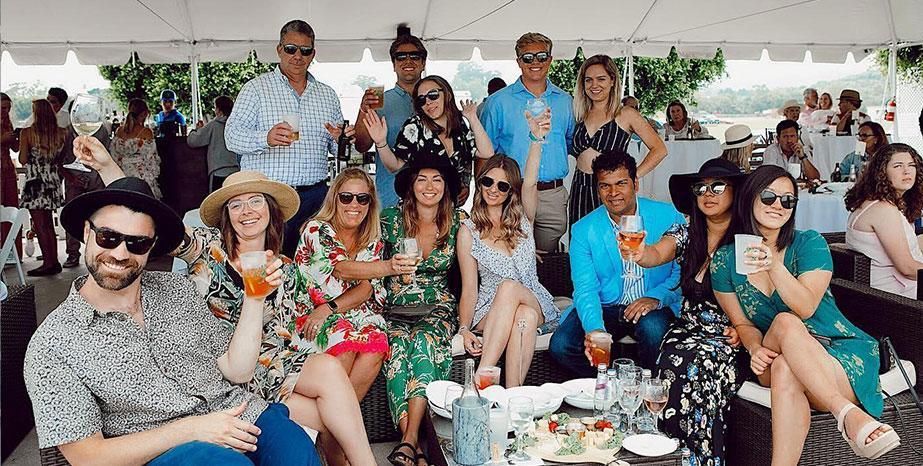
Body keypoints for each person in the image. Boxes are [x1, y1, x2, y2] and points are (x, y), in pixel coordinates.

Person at [74, 140, 377, 466]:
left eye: (255, 201)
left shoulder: (285, 267)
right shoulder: (208, 253)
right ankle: (341, 455)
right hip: (220, 372)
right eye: (236, 205)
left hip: (272, 368)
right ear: (226, 216)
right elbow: (145, 216)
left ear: (270, 210)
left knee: (332, 373)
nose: (247, 211)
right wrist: (107, 167)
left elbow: (292, 333)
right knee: (334, 414)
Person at [24, 171, 324, 466]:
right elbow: (87, 457)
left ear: (151, 246)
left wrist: (254, 298)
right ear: (88, 233)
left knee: (296, 449)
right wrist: (191, 430)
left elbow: (237, 371)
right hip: (159, 448)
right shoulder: (53, 344)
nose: (119, 253)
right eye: (108, 237)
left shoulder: (177, 289)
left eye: (137, 243)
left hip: (234, 413)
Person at [712, 164, 900, 463]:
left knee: (788, 355)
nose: (778, 205)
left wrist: (773, 264)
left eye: (788, 200)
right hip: (767, 356)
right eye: (770, 196)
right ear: (749, 197)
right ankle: (848, 416)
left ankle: (832, 421)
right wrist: (754, 346)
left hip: (836, 351)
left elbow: (806, 307)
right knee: (784, 329)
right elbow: (742, 322)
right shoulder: (724, 261)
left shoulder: (809, 243)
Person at [623, 158, 748, 466]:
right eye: (701, 187)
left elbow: (761, 292)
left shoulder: (747, 238)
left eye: (718, 186)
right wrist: (639, 253)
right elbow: (654, 254)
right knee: (669, 357)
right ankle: (668, 454)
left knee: (698, 364)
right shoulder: (686, 232)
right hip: (687, 331)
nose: (708, 193)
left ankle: (702, 458)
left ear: (736, 192)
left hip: (729, 338)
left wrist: (744, 328)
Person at [549, 151, 684, 374]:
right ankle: (609, 384)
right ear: (597, 189)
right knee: (561, 345)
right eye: (605, 186)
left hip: (652, 302)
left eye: (621, 183)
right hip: (606, 304)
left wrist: (657, 297)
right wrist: (595, 330)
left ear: (635, 184)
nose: (613, 193)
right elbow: (585, 289)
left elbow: (681, 272)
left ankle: (648, 387)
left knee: (653, 330)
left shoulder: (668, 216)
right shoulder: (584, 230)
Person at [226, 19, 353, 257]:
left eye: (305, 51)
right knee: (268, 264)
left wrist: (341, 140)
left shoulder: (327, 94)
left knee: (313, 265)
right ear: (279, 49)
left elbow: (337, 151)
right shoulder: (256, 88)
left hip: (314, 196)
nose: (298, 56)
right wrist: (265, 137)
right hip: (269, 196)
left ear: (313, 54)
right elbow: (232, 137)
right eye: (291, 49)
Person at [456, 112, 558, 387]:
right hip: (491, 310)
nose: (493, 190)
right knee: (521, 313)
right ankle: (514, 396)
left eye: (503, 185)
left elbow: (532, 181)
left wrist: (537, 139)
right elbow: (470, 288)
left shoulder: (523, 219)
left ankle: (482, 378)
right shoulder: (469, 232)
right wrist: (464, 328)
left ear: (511, 190)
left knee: (512, 288)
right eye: (488, 182)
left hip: (534, 296)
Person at [380, 154, 467, 465]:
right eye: (422, 179)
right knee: (397, 348)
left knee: (423, 342)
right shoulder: (389, 219)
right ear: (411, 185)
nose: (429, 186)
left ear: (446, 186)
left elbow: (478, 263)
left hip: (438, 305)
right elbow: (369, 259)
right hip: (395, 306)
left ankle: (409, 440)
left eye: (437, 179)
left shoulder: (459, 222)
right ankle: (414, 446)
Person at [294, 168, 389, 401]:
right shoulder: (316, 229)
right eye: (346, 197)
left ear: (370, 203)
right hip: (310, 313)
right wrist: (391, 267)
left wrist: (329, 308)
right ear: (334, 199)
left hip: (350, 312)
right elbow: (342, 268)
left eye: (362, 198)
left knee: (375, 348)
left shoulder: (372, 238)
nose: (353, 205)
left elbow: (366, 289)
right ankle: (335, 427)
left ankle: (336, 431)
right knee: (345, 343)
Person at [482, 32, 576, 253]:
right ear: (518, 62)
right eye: (528, 57)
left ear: (550, 59)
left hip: (553, 195)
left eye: (542, 56)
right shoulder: (498, 102)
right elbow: (485, 156)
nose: (535, 62)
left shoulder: (566, 101)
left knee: (548, 262)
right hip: (511, 193)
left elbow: (571, 143)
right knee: (511, 258)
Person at [569, 55, 667, 225]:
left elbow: (659, 149)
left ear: (612, 80)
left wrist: (633, 175)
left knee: (617, 242)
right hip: (580, 189)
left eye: (601, 79)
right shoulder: (578, 114)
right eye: (588, 80)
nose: (594, 85)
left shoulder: (626, 114)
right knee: (582, 241)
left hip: (613, 191)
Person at [364, 75, 494, 205]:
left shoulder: (458, 125)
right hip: (418, 208)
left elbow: (486, 153)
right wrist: (381, 143)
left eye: (433, 95)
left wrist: (473, 118)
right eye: (421, 99)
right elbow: (394, 166)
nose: (428, 102)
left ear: (447, 94)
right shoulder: (415, 125)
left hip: (449, 208)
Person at [354, 34, 427, 211]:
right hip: (390, 195)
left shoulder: (436, 100)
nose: (407, 61)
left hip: (431, 195)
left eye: (414, 56)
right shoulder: (380, 101)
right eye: (401, 57)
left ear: (423, 63)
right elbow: (361, 146)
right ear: (393, 64)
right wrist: (363, 110)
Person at [845, 143, 923, 298]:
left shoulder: (878, 202)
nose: (907, 171)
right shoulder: (883, 209)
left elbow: (907, 242)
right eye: (898, 166)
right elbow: (907, 268)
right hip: (895, 299)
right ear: (882, 172)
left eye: (911, 165)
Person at [19, 99, 67, 276]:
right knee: (48, 224)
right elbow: (61, 159)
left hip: (35, 181)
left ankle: (48, 263)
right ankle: (53, 260)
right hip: (52, 179)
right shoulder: (62, 133)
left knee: (40, 225)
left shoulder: (28, 133)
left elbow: (23, 159)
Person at [111, 98, 162, 199]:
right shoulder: (146, 132)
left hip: (122, 175)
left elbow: (114, 156)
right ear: (144, 114)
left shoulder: (119, 131)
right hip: (141, 176)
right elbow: (151, 159)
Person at [188, 95, 240, 192]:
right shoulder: (236, 125)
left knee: (217, 202)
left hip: (218, 171)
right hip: (235, 170)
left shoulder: (214, 125)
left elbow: (193, 141)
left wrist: (195, 130)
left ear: (219, 111)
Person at [1, 92, 21, 259]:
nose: (5, 111)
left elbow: (15, 149)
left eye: (8, 108)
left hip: (7, 169)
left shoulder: (8, 122)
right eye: (2, 108)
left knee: (12, 208)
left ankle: (13, 253)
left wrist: (16, 137)